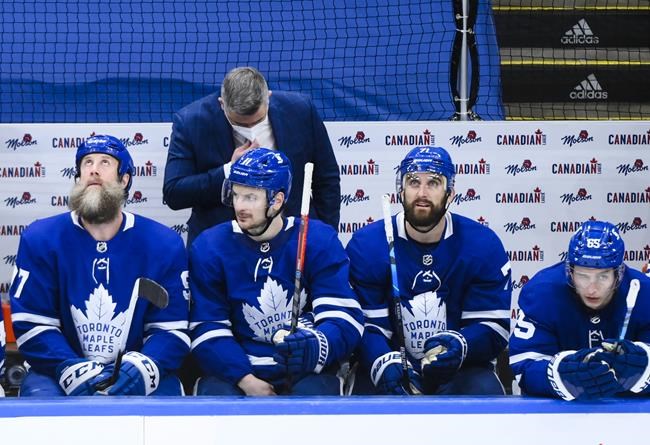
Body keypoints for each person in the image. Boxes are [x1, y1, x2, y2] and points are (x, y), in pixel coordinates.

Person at [9, 135, 190, 396]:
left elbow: (170, 328)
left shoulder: (163, 244)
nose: (93, 169)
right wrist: (69, 367)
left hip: (136, 368)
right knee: (42, 405)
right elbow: (32, 322)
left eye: (105, 162)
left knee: (165, 410)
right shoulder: (40, 239)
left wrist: (138, 369)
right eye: (87, 163)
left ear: (124, 179)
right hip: (56, 371)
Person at [189, 147, 363, 395]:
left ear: (277, 201)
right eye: (236, 195)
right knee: (218, 401)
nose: (240, 206)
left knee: (313, 400)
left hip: (305, 370)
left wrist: (316, 346)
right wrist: (245, 379)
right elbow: (207, 325)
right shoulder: (210, 246)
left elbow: (343, 316)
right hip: (239, 370)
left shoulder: (317, 239)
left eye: (251, 197)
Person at [346, 145, 511, 395]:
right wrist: (383, 361)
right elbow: (364, 325)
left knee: (484, 392)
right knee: (365, 400)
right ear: (401, 190)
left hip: (461, 369)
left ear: (450, 193)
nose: (422, 193)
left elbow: (493, 325)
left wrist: (462, 346)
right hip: (390, 363)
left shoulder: (482, 245)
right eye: (413, 182)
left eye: (433, 183)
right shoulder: (368, 244)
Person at [163, 66, 340, 247]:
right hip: (224, 246)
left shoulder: (300, 110)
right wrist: (229, 171)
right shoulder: (191, 122)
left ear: (268, 98)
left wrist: (326, 236)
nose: (251, 129)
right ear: (222, 104)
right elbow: (174, 192)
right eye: (239, 123)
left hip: (292, 241)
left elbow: (327, 179)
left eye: (258, 121)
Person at [510, 221, 650, 401]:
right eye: (583, 276)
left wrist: (643, 369)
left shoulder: (644, 293)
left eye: (603, 276)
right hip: (560, 411)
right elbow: (524, 366)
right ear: (570, 271)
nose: (592, 289)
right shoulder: (543, 292)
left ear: (619, 274)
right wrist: (560, 376)